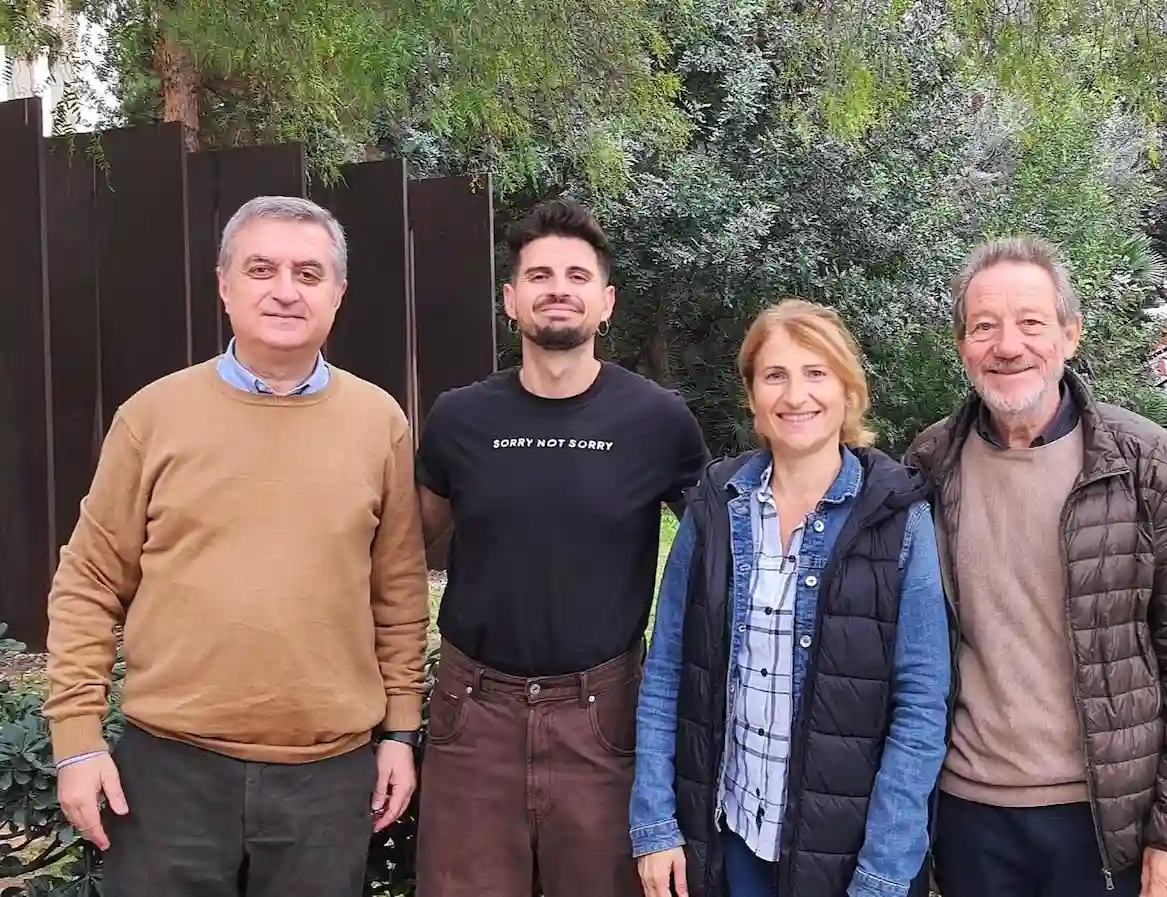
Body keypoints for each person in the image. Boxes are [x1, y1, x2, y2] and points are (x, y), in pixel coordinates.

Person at [43, 195, 430, 897]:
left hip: (327, 776)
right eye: (262, 268)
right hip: (169, 775)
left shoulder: (380, 424)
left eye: (309, 273)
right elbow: (90, 581)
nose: (285, 289)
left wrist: (401, 732)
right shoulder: (153, 417)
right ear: (225, 285)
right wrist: (76, 738)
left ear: (337, 294)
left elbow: (398, 592)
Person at [904, 236, 1167, 897]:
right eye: (984, 326)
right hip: (969, 814)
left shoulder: (1147, 465)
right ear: (962, 345)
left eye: (1031, 322)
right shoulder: (929, 464)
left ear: (1069, 333)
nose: (1007, 345)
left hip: (1106, 818)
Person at [413, 198, 710, 897]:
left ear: (605, 302)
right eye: (539, 274)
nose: (558, 287)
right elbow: (398, 550)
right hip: (472, 714)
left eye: (577, 275)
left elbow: (722, 553)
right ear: (510, 300)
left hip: (602, 717)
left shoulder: (657, 420)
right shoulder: (459, 417)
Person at [630, 298, 952, 897]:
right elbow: (666, 671)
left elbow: (920, 710)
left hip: (848, 859)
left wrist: (884, 871)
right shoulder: (716, 508)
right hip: (730, 842)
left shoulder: (899, 519)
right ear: (753, 397)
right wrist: (655, 826)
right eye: (774, 375)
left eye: (816, 373)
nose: (795, 395)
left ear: (848, 392)